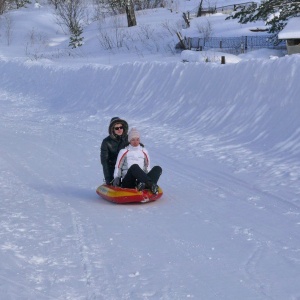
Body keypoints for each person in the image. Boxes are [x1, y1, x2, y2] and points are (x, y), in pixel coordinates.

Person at [112, 128, 162, 194]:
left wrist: (148, 177)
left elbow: (147, 167)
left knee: (157, 168)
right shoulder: (123, 151)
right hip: (128, 181)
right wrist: (116, 178)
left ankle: (145, 185)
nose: (135, 142)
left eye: (137, 139)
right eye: (133, 140)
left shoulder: (144, 151)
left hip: (141, 180)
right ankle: (150, 185)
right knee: (134, 167)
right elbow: (118, 167)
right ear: (129, 140)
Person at [100, 117, 129, 184]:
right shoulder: (106, 142)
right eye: (116, 128)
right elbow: (105, 162)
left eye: (121, 127)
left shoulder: (129, 138)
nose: (119, 129)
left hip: (126, 167)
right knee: (115, 183)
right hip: (113, 168)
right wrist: (108, 178)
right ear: (112, 129)